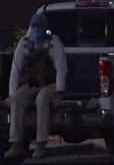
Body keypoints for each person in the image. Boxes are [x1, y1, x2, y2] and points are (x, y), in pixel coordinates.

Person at [4, 13, 68, 159]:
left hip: (50, 84)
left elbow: (61, 68)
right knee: (17, 100)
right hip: (31, 83)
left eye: (40, 27)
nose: (37, 30)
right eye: (35, 27)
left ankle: (41, 144)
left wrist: (59, 92)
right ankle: (16, 143)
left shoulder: (53, 42)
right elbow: (15, 70)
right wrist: (11, 95)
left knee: (42, 98)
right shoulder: (24, 43)